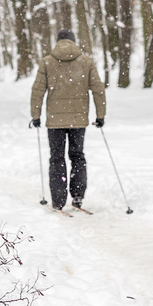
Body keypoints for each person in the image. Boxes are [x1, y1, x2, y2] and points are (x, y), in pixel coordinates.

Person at [30, 29, 107, 211]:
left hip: (55, 121)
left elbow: (37, 91)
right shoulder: (86, 62)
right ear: (73, 41)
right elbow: (98, 89)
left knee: (57, 158)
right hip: (78, 120)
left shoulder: (47, 62)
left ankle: (58, 200)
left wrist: (36, 115)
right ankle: (78, 195)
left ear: (58, 42)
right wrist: (100, 115)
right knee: (77, 156)